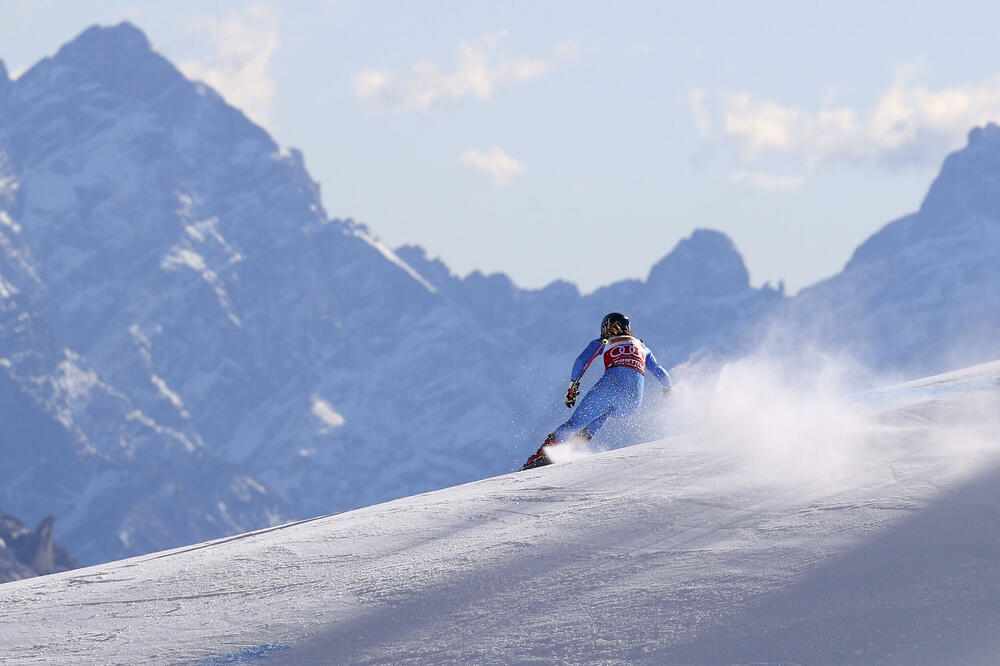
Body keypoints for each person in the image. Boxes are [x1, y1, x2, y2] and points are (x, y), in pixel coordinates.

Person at [522, 312, 673, 470]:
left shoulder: (606, 341)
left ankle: (545, 453)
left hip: (611, 386)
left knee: (575, 423)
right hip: (633, 402)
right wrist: (669, 389)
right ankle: (570, 448)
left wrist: (573, 386)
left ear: (607, 327)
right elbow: (660, 372)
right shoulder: (643, 347)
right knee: (604, 412)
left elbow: (582, 360)